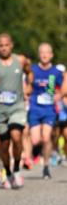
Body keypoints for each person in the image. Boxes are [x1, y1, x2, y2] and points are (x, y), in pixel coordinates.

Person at [0, 33, 31, 189]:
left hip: (17, 106)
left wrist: (29, 86)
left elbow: (30, 73)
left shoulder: (21, 60)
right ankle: (8, 172)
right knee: (4, 144)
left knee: (16, 136)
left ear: (11, 45)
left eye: (6, 45)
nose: (3, 48)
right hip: (0, 110)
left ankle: (17, 168)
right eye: (0, 46)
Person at [27, 42, 67, 179]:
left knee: (46, 137)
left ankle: (46, 166)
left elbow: (64, 86)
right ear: (39, 54)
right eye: (42, 52)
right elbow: (26, 85)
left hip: (49, 109)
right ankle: (35, 153)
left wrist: (59, 95)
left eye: (47, 52)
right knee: (35, 140)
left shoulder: (56, 72)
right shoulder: (32, 70)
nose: (44, 55)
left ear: (51, 55)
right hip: (34, 108)